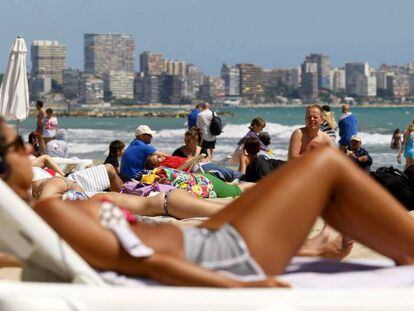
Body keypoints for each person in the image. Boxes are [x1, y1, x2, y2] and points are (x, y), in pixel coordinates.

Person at [18, 117, 414, 286]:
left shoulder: (41, 217)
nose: (29, 151)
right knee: (325, 163)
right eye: (14, 149)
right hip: (221, 254)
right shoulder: (51, 213)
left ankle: (315, 245)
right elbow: (142, 259)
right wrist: (231, 288)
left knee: (316, 175)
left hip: (210, 237)